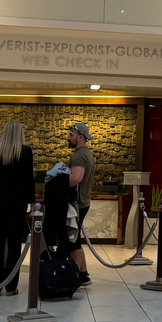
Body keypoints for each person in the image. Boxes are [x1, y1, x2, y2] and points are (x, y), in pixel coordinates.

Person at [0, 121, 35, 297]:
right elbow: (29, 179)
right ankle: (11, 286)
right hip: (17, 203)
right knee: (14, 244)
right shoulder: (25, 151)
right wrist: (32, 200)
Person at [67, 122, 97, 287]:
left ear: (80, 137)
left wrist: (56, 181)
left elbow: (76, 178)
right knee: (75, 237)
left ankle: (73, 278)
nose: (68, 138)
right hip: (83, 202)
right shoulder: (87, 154)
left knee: (73, 241)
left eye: (71, 135)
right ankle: (84, 275)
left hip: (76, 204)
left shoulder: (79, 155)